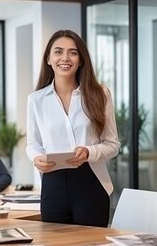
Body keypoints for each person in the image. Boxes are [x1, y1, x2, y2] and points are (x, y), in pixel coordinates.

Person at [26, 29, 120, 227]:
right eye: (58, 52)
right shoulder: (36, 100)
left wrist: (89, 152)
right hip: (53, 184)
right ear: (48, 59)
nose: (65, 58)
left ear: (81, 60)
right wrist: (36, 158)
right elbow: (32, 143)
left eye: (73, 52)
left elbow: (113, 144)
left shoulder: (100, 94)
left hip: (91, 183)